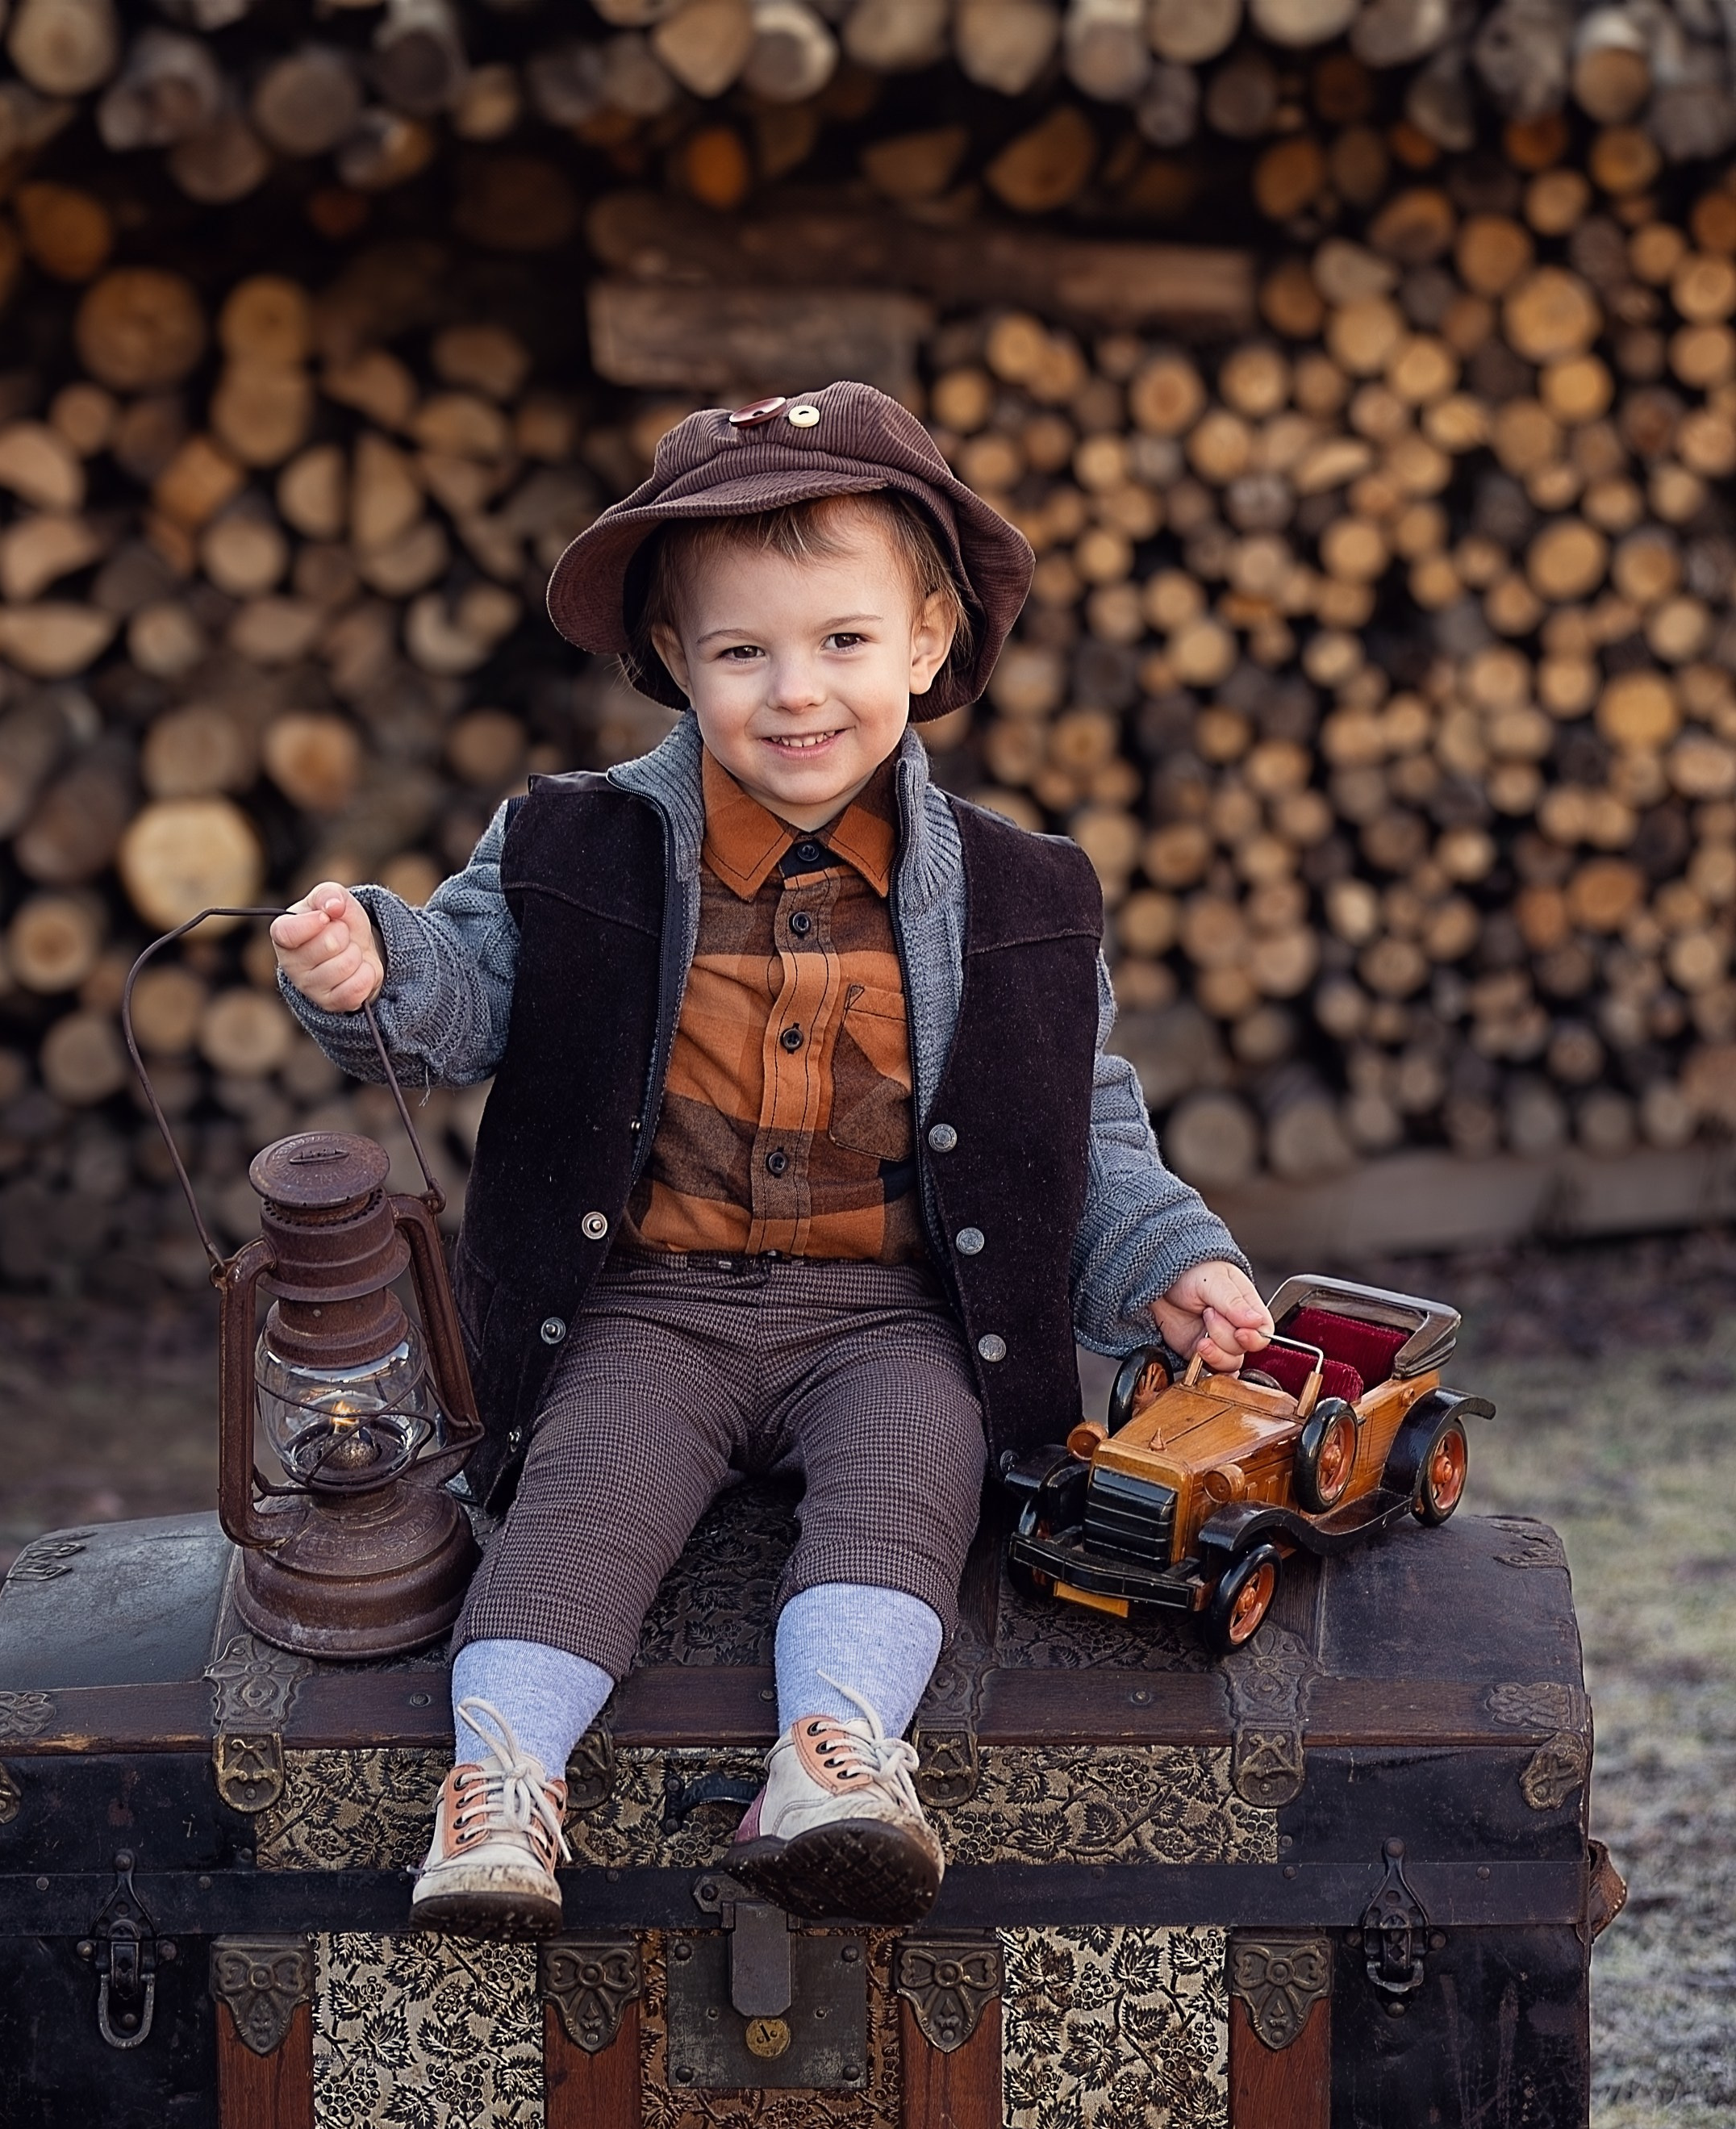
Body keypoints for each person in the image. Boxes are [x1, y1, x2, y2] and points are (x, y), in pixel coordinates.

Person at [273, 382, 1272, 1939]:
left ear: (930, 642)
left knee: (912, 1477)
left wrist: (1173, 1267)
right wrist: (371, 967)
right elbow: (462, 998)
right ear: (673, 659)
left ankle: (835, 1757)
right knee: (585, 1495)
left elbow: (1074, 1135)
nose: (793, 692)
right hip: (644, 1302)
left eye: (843, 643)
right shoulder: (571, 842)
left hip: (886, 1314)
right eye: (741, 651)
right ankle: (502, 1778)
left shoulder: (1020, 894)